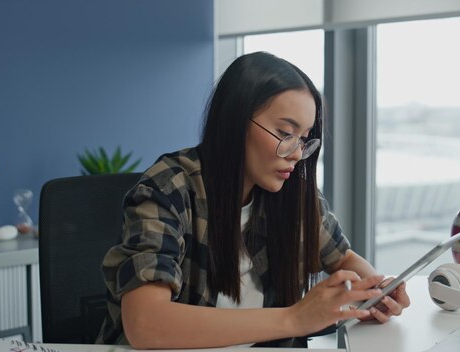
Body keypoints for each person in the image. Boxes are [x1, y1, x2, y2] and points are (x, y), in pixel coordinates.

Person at [97, 52, 410, 349]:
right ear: (235, 121)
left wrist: (375, 290)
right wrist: (294, 318)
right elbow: (145, 322)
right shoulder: (168, 188)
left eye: (304, 139)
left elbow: (341, 258)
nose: (298, 154)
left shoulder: (293, 194)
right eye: (285, 132)